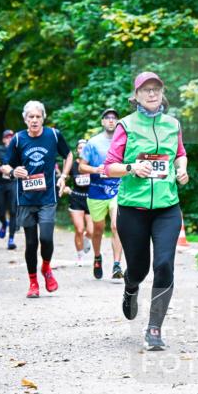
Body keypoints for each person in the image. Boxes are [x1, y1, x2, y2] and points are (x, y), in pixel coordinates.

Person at [105, 72, 188, 351]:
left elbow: (180, 154)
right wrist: (132, 168)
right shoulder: (126, 126)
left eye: (156, 89)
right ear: (136, 95)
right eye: (146, 90)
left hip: (167, 207)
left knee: (164, 265)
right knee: (139, 268)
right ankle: (131, 287)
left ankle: (154, 328)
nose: (152, 94)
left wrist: (181, 169)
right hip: (133, 209)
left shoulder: (172, 124)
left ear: (162, 93)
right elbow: (109, 167)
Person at [0, 101, 72, 298]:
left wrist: (64, 176)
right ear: (25, 119)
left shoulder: (53, 135)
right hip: (25, 199)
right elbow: (4, 165)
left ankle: (46, 267)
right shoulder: (18, 139)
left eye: (38, 116)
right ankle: (33, 283)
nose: (34, 120)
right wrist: (13, 171)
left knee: (46, 238)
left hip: (47, 197)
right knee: (31, 243)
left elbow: (68, 155)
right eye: (30, 117)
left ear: (43, 118)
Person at [79, 108, 124, 280]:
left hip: (117, 190)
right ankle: (97, 257)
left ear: (118, 122)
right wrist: (95, 169)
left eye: (114, 118)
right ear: (102, 122)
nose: (111, 120)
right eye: (107, 118)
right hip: (97, 192)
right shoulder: (93, 143)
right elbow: (82, 166)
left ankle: (117, 265)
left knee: (116, 226)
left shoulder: (124, 141)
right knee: (97, 230)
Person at [66, 139, 94, 266]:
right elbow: (63, 178)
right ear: (77, 150)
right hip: (76, 199)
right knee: (79, 229)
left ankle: (86, 240)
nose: (82, 150)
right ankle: (80, 256)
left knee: (91, 231)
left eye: (84, 147)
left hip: (91, 199)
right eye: (79, 148)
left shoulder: (92, 164)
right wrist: (65, 188)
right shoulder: (72, 165)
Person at [0, 129, 18, 249]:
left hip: (12, 182)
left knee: (13, 211)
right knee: (1, 211)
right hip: (0, 184)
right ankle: (3, 223)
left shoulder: (18, 150)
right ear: (3, 140)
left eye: (12, 137)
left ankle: (11, 240)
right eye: (7, 137)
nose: (10, 139)